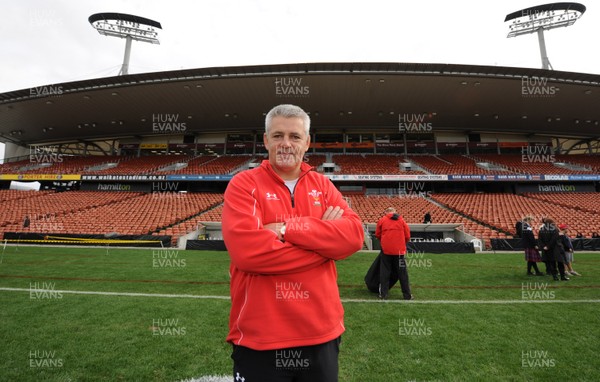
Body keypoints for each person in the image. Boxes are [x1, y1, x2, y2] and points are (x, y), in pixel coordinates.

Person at [222, 104, 364, 382]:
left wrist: (287, 229)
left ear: (307, 142)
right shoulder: (243, 184)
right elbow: (248, 254)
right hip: (260, 337)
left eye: (295, 136)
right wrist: (324, 247)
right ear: (265, 140)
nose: (286, 144)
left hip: (321, 333)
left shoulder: (323, 185)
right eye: (277, 136)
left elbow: (354, 236)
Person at [375, 207, 412, 300]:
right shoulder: (402, 220)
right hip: (399, 251)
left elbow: (377, 234)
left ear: (386, 212)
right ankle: (407, 295)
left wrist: (384, 241)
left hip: (386, 250)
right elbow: (407, 236)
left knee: (385, 272)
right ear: (395, 212)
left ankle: (384, 295)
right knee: (403, 273)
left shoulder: (382, 220)